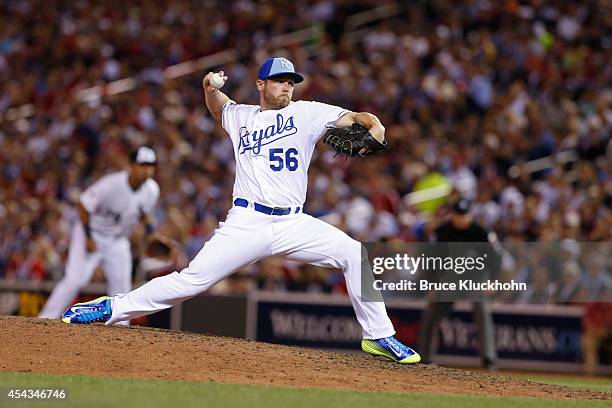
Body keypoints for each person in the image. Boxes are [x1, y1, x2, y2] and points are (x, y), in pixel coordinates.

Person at [61, 57, 420, 364]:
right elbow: (219, 106)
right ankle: (111, 307)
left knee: (355, 254)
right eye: (280, 81)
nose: (287, 87)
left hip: (294, 222)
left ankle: (379, 336)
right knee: (191, 281)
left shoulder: (309, 113)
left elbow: (357, 118)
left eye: (291, 82)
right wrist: (208, 86)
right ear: (261, 84)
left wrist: (374, 123)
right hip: (247, 221)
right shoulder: (241, 116)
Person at [38, 146, 159, 321]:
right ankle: (46, 318)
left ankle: (120, 329)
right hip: (92, 233)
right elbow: (83, 205)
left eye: (151, 165)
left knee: (121, 289)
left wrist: (151, 232)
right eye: (143, 165)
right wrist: (88, 237)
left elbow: (144, 212)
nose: (147, 170)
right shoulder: (112, 184)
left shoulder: (152, 190)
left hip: (117, 241)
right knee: (75, 280)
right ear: (131, 165)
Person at [418, 198, 498, 370]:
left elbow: (495, 258)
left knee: (482, 311)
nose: (461, 218)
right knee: (431, 314)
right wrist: (432, 285)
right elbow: (432, 261)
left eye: (465, 215)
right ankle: (425, 359)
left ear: (471, 214)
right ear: (452, 214)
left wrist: (491, 281)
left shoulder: (481, 232)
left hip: (475, 279)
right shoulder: (442, 232)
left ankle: (489, 360)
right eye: (458, 215)